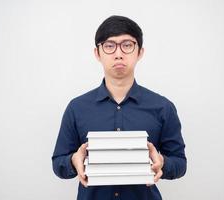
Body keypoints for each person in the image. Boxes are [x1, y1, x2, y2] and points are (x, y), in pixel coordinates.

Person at [52, 15, 186, 200]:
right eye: (109, 45)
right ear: (97, 53)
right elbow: (58, 163)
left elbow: (180, 163)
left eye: (127, 45)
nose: (118, 53)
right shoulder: (77, 108)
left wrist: (162, 162)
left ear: (140, 52)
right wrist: (73, 161)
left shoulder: (163, 107)